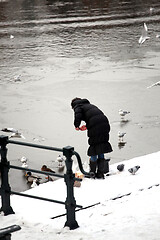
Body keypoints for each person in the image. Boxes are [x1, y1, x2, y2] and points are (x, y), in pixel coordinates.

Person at [71, 97, 112, 179]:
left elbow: (78, 115)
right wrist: (87, 126)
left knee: (94, 148)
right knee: (101, 146)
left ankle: (92, 173)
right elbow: (95, 118)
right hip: (104, 123)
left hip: (96, 126)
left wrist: (76, 126)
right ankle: (100, 173)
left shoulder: (78, 106)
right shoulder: (89, 105)